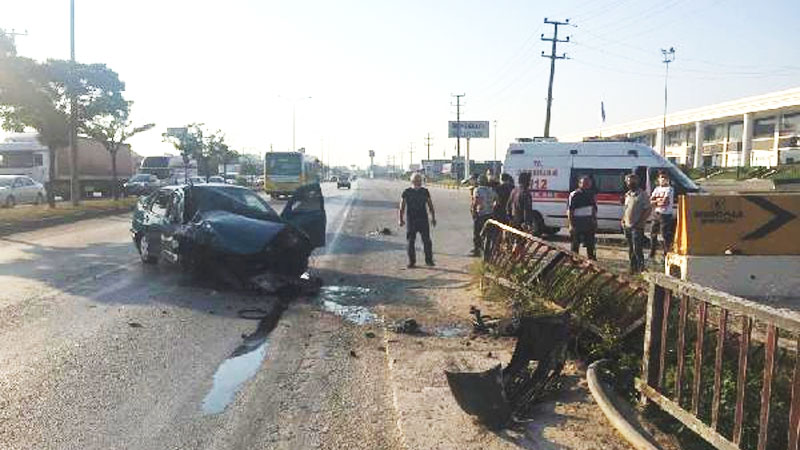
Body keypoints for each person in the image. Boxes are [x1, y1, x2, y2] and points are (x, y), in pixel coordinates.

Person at [399, 172, 436, 268]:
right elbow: (402, 207)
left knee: (426, 241)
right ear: (412, 181)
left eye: (419, 180)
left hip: (423, 219)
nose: (418, 182)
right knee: (411, 241)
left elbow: (430, 205)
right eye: (416, 180)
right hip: (411, 220)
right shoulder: (406, 192)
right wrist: (400, 219)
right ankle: (412, 262)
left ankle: (429, 260)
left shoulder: (425, 191)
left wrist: (433, 218)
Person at [622, 174, 652, 274]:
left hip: (637, 226)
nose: (631, 183)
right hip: (627, 226)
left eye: (633, 181)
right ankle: (632, 268)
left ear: (637, 182)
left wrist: (641, 221)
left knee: (637, 248)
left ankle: (641, 269)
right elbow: (626, 209)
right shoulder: (627, 194)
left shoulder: (642, 194)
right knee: (630, 248)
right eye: (629, 181)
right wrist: (623, 219)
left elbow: (648, 209)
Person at [567, 176, 597, 260]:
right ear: (579, 184)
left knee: (590, 244)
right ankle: (573, 262)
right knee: (575, 244)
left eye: (588, 183)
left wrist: (594, 221)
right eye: (584, 183)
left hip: (589, 223)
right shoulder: (574, 194)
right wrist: (571, 225)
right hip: (577, 223)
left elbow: (593, 209)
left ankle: (592, 262)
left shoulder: (591, 194)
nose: (587, 185)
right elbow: (570, 211)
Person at [649, 170, 676, 258]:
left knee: (665, 234)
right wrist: (658, 201)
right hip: (656, 213)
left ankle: (666, 252)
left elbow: (665, 202)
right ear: (658, 179)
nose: (663, 179)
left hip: (666, 215)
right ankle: (652, 252)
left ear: (668, 179)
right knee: (653, 234)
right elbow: (650, 201)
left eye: (664, 177)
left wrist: (657, 201)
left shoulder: (670, 189)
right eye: (661, 177)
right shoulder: (657, 189)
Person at [470, 175, 498, 256]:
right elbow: (497, 200)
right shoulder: (491, 190)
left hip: (480, 214)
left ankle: (477, 250)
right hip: (490, 215)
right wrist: (492, 206)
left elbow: (476, 201)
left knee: (477, 233)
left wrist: (473, 211)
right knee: (487, 234)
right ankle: (487, 251)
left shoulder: (477, 190)